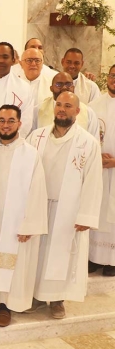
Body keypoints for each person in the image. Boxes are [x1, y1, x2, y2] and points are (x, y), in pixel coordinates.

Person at [27, 91, 102, 319]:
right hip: (38, 206)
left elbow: (93, 180)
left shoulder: (87, 143)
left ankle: (57, 299)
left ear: (77, 111)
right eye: (59, 104)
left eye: (68, 106)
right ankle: (35, 295)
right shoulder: (36, 137)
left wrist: (86, 215)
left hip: (67, 209)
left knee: (60, 253)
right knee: (37, 253)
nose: (61, 109)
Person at [0, 105, 47, 327]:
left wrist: (30, 224)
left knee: (10, 264)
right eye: (1, 120)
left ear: (19, 123)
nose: (5, 125)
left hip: (16, 222)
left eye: (10, 120)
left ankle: (6, 306)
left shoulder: (30, 154)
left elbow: (37, 191)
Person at [88, 66, 115, 276]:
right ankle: (94, 257)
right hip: (97, 169)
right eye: (113, 75)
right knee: (97, 209)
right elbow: (86, 138)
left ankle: (112, 261)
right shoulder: (93, 107)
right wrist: (96, 156)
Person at [32, 72, 99, 139]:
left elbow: (93, 142)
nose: (64, 87)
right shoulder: (38, 110)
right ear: (51, 88)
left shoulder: (88, 112)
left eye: (68, 84)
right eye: (59, 84)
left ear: (73, 87)